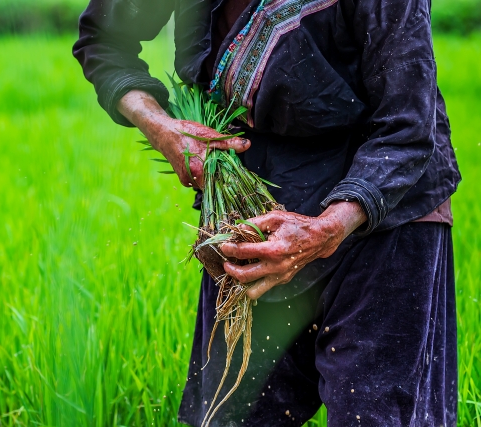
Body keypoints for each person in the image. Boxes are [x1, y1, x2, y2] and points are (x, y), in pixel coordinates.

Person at [73, 0, 461, 424]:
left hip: (385, 208)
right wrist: (159, 125)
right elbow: (106, 41)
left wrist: (328, 227)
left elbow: (406, 124)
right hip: (252, 215)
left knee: (375, 413)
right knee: (231, 414)